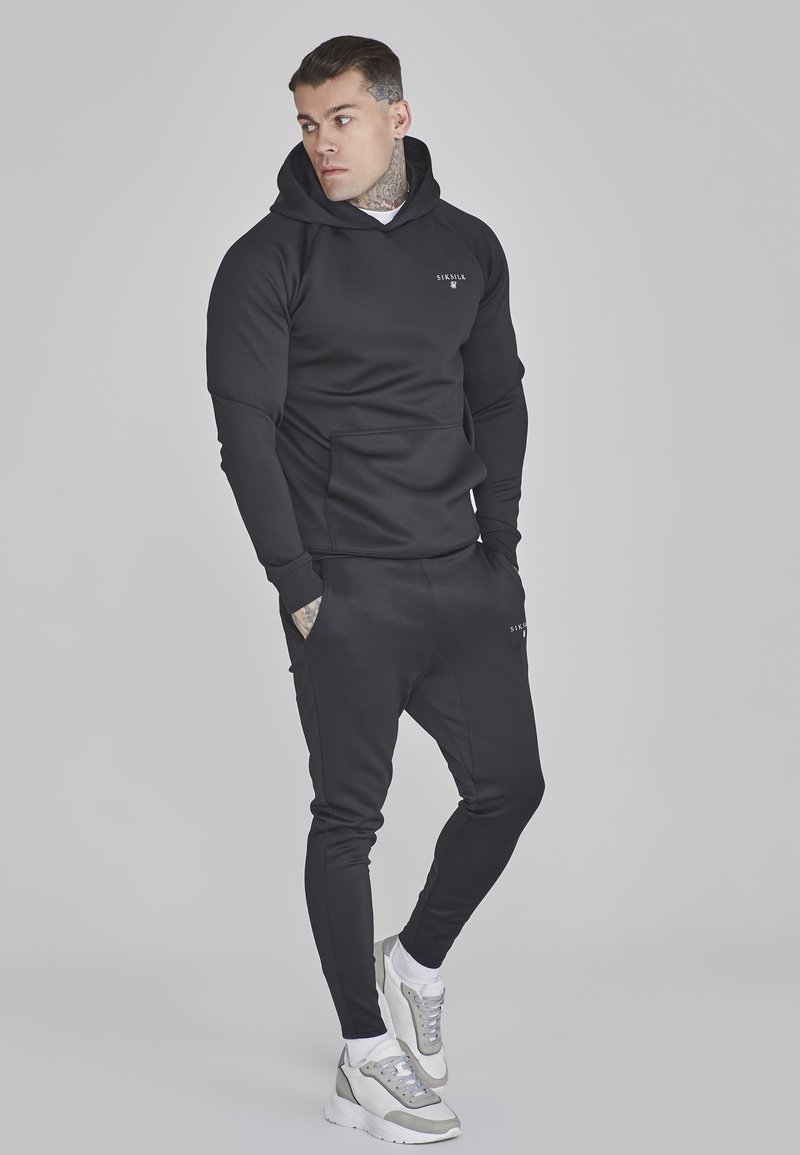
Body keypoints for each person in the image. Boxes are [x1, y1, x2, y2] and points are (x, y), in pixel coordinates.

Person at [205, 34, 545, 1144]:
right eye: (308, 123)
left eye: (341, 119)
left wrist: (500, 547)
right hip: (344, 585)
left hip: (460, 572)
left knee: (511, 787)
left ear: (397, 117)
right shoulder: (267, 260)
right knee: (348, 818)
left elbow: (496, 399)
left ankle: (417, 959)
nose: (322, 142)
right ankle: (362, 1057)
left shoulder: (467, 247)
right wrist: (297, 584)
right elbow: (245, 435)